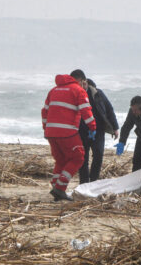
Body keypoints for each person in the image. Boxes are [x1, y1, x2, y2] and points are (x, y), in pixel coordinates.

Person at [41, 69, 96, 201]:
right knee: (78, 157)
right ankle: (60, 188)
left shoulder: (53, 90)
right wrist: (93, 127)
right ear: (82, 81)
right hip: (67, 132)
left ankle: (55, 187)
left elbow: (44, 111)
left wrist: (46, 128)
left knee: (61, 160)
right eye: (84, 83)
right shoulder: (78, 90)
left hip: (51, 132)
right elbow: (86, 110)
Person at [78, 78, 119, 184]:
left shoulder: (97, 93)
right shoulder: (76, 94)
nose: (84, 85)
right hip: (81, 130)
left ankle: (93, 181)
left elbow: (109, 109)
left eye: (85, 83)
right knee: (83, 158)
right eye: (81, 84)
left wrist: (115, 127)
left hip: (98, 130)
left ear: (87, 83)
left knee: (99, 154)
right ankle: (83, 183)